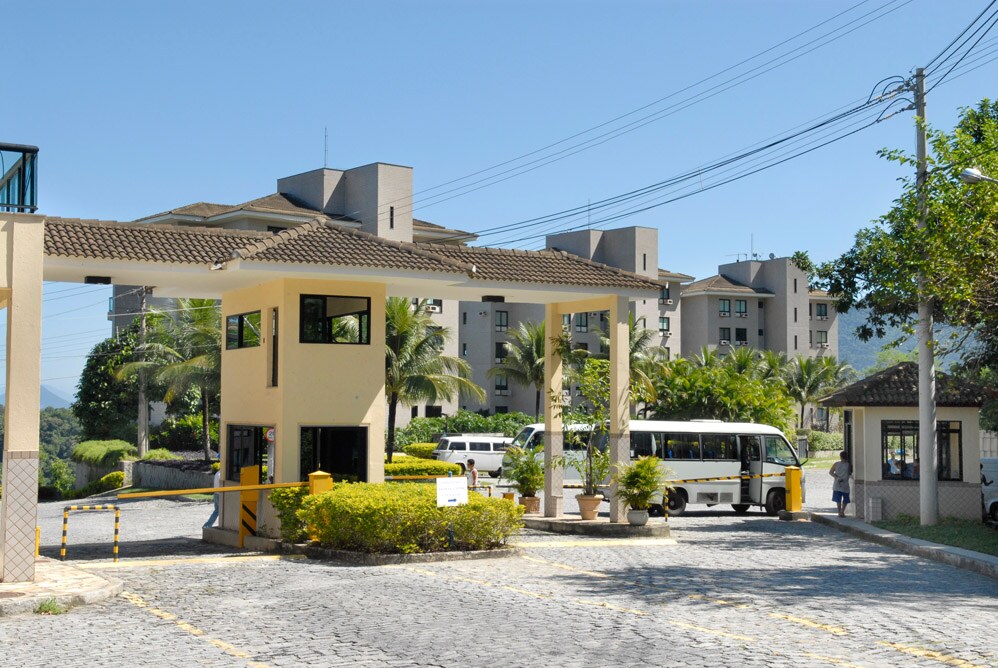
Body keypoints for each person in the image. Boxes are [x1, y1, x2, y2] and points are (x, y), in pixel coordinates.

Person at [829, 450, 851, 518]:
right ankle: (842, 511)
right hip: (845, 484)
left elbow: (831, 472)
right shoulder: (848, 465)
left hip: (837, 483)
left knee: (838, 499)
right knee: (845, 499)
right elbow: (850, 472)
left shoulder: (836, 464)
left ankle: (839, 512)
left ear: (840, 457)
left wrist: (836, 477)